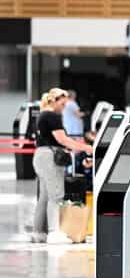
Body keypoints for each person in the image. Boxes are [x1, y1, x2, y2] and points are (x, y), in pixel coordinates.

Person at [32, 88, 93, 244]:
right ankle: (54, 233)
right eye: (63, 103)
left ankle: (39, 233)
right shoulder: (53, 116)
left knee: (44, 197)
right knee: (56, 195)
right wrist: (86, 148)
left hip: (40, 156)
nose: (64, 107)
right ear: (55, 100)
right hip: (50, 158)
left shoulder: (42, 115)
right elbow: (62, 139)